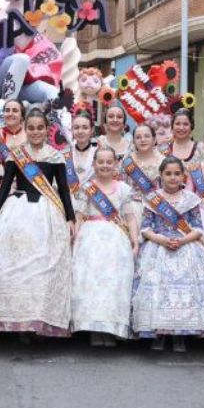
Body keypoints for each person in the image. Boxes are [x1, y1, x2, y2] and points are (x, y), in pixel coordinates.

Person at [0, 107, 75, 337]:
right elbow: (6, 185)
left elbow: (65, 191)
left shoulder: (55, 156)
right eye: (31, 128)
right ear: (25, 129)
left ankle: (35, 319)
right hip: (17, 211)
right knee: (12, 264)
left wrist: (70, 218)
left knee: (40, 266)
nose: (35, 132)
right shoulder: (15, 154)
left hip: (46, 214)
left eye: (40, 128)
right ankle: (12, 318)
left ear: (48, 131)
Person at [132, 156, 204, 350]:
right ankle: (159, 333)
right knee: (158, 291)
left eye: (177, 174)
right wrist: (162, 240)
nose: (173, 178)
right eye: (168, 174)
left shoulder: (191, 200)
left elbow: (198, 228)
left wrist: (182, 240)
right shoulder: (153, 200)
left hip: (186, 246)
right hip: (159, 247)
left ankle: (180, 335)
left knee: (187, 292)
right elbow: (146, 228)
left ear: (183, 176)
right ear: (160, 176)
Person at [71, 145, 139, 345]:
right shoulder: (87, 188)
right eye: (100, 162)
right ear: (94, 164)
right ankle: (93, 329)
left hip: (116, 241)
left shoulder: (124, 189)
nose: (105, 165)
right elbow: (80, 215)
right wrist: (74, 237)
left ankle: (110, 329)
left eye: (109, 162)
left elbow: (130, 217)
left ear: (116, 164)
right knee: (91, 283)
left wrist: (134, 240)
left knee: (113, 284)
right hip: (90, 240)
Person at [122, 122, 166, 227]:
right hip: (131, 209)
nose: (143, 140)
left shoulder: (163, 161)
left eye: (147, 136)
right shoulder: (127, 161)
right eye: (138, 137)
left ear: (154, 139)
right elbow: (121, 186)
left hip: (156, 208)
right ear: (133, 141)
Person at [65, 110, 97, 192]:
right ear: (72, 130)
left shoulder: (98, 153)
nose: (80, 131)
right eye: (76, 128)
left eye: (85, 127)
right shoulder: (65, 154)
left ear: (92, 130)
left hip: (93, 200)